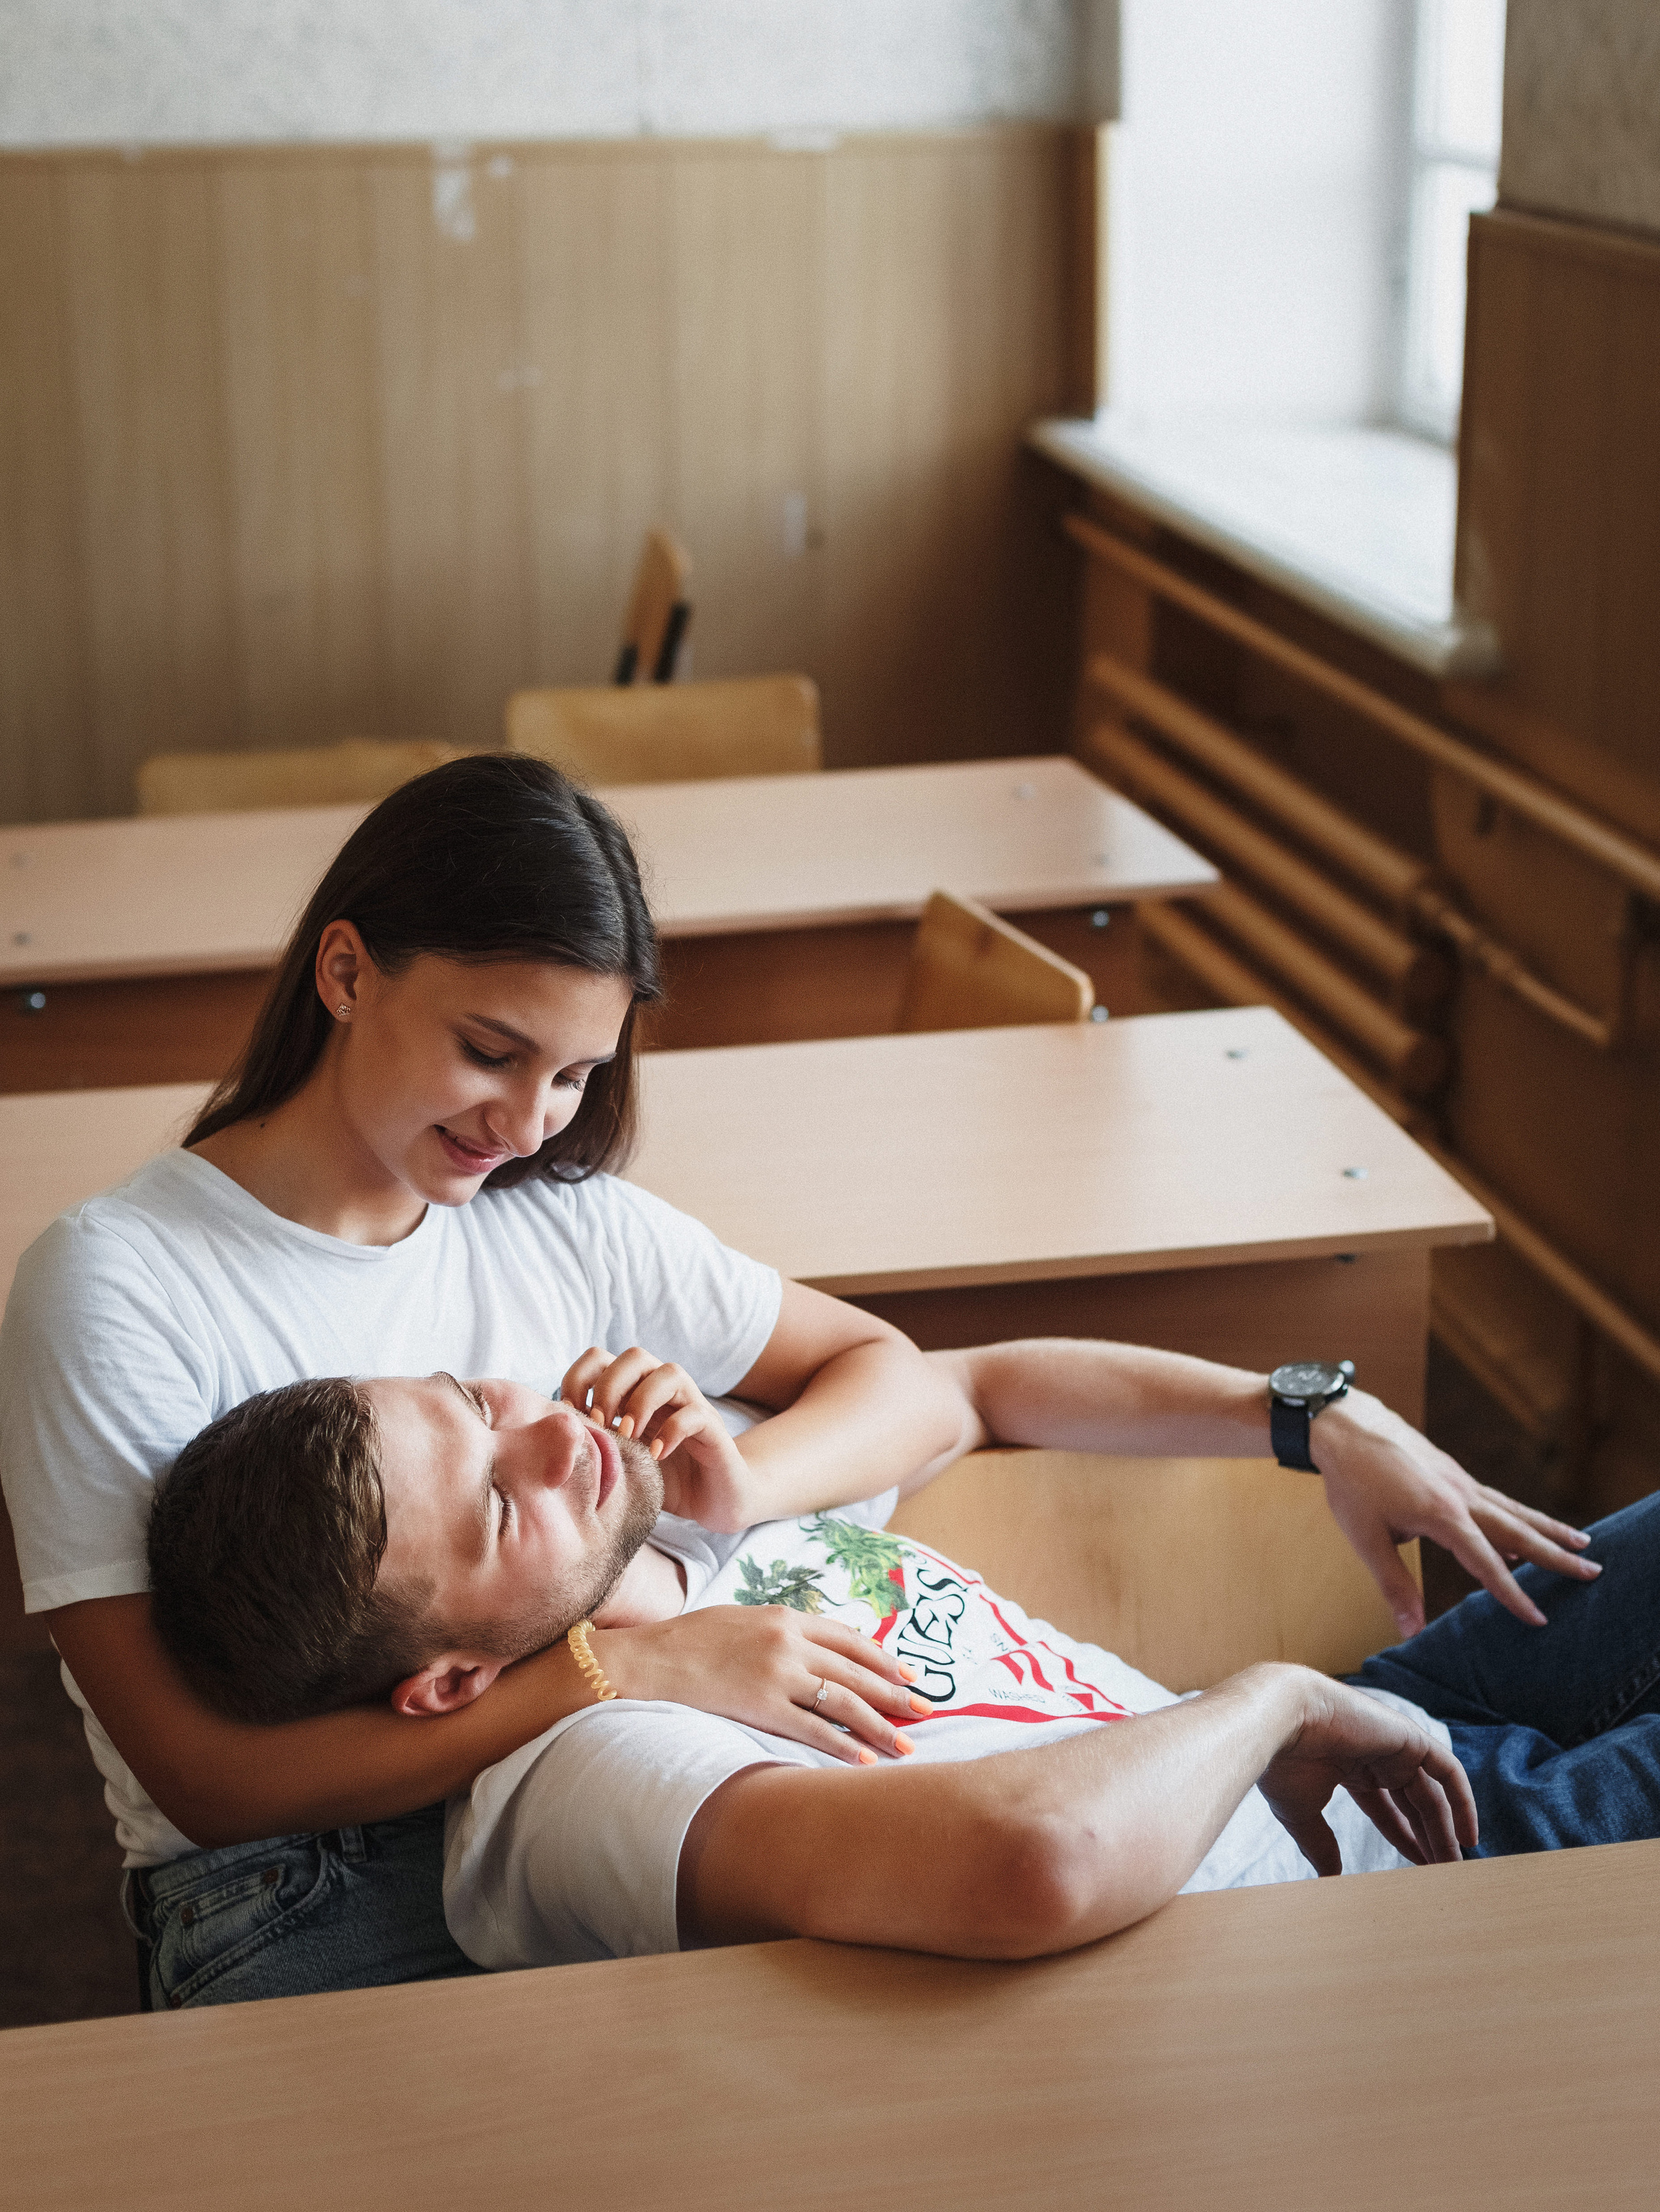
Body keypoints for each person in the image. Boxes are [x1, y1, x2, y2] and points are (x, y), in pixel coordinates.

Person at [0, 755, 967, 2009]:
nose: (526, 1125)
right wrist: (632, 1664)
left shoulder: (559, 1215)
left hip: (600, 1764)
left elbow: (885, 1370)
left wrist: (731, 1493)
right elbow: (210, 1780)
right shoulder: (114, 1280)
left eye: (573, 1077)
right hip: (307, 1873)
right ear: (344, 974)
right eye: (490, 1052)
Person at [144, 1341, 1652, 1984]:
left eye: (475, 1397)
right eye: (494, 1497)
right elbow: (1032, 1860)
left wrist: (1310, 1412)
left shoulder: (666, 1526)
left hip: (1378, 1738)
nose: (552, 1429)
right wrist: (1266, 1700)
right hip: (1405, 1892)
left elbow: (966, 1387)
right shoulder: (582, 1776)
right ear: (448, 1685)